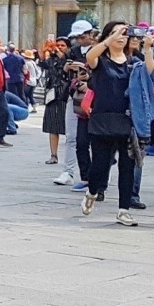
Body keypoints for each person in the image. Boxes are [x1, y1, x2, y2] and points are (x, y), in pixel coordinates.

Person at [81, 22, 154, 227]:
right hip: (103, 120)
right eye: (117, 33)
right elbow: (90, 57)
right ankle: (92, 191)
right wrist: (109, 40)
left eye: (125, 33)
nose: (121, 37)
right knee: (100, 165)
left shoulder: (133, 61)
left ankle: (123, 210)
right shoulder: (101, 61)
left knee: (127, 166)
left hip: (127, 119)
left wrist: (148, 48)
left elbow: (149, 72)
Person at [55, 20, 97, 190]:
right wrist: (65, 69)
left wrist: (89, 78)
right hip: (76, 97)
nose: (80, 40)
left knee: (96, 139)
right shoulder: (72, 52)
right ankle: (69, 171)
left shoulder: (99, 51)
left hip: (95, 97)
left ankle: (97, 173)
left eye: (83, 36)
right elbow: (57, 73)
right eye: (77, 37)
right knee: (73, 137)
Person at [40, 37, 70, 164]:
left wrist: (60, 53)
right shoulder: (52, 60)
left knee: (70, 127)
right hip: (53, 94)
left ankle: (71, 156)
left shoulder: (69, 59)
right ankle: (53, 155)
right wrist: (44, 51)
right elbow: (42, 63)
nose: (59, 47)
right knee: (52, 126)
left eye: (62, 45)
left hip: (66, 94)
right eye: (58, 45)